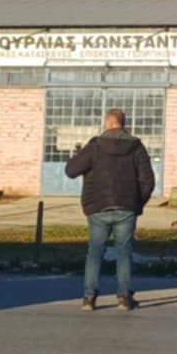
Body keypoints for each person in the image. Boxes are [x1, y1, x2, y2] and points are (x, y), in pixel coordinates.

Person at [64, 108, 156, 311]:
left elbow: (71, 171)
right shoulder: (136, 146)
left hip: (97, 206)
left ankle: (89, 298)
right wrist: (137, 202)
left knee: (95, 252)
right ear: (123, 124)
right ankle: (124, 297)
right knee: (124, 252)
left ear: (107, 123)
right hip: (126, 206)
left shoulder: (95, 146)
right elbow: (148, 180)